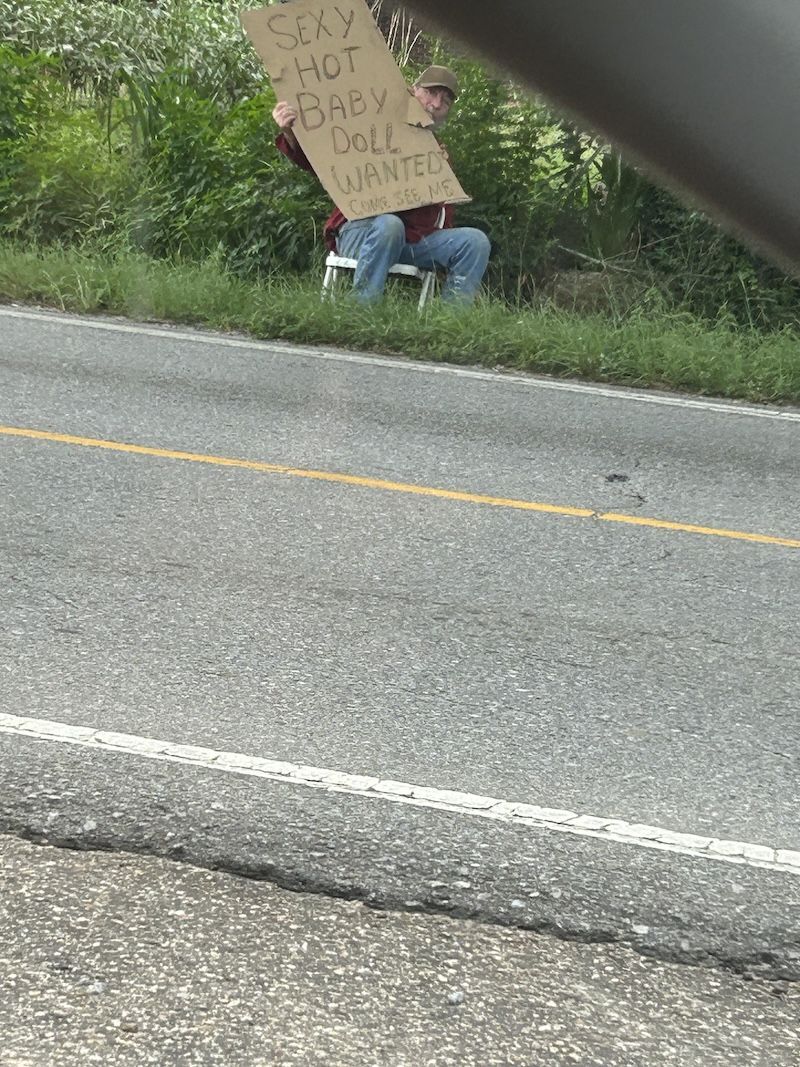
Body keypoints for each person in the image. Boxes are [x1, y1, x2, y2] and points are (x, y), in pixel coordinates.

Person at [272, 65, 491, 304]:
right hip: (362, 232)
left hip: (412, 243)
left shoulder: (435, 154)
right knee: (390, 224)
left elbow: (440, 217)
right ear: (413, 90)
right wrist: (290, 133)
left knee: (475, 241)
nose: (436, 104)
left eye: (446, 101)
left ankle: (451, 328)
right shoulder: (373, 127)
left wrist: (439, 175)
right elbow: (324, 164)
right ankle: (361, 314)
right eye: (431, 92)